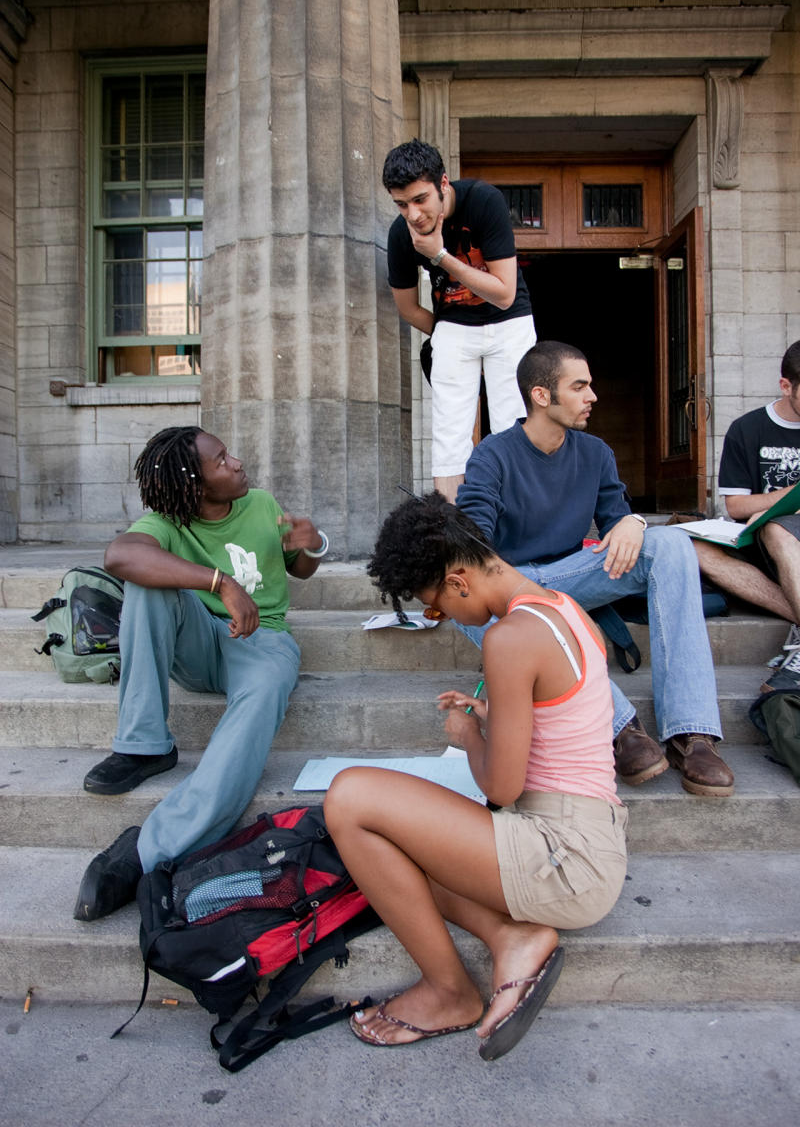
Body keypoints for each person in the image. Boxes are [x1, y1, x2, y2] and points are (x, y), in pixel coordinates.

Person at [324, 492, 627, 1060]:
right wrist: (496, 717)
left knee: (348, 800)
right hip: (583, 838)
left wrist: (468, 738)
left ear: (459, 581)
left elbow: (501, 789)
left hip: (564, 857)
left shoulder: (508, 638)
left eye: (434, 607)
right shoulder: (562, 608)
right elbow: (568, 716)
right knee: (389, 839)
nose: (440, 618)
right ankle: (509, 936)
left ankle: (449, 992)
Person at [455, 340, 734, 796]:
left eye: (590, 386)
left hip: (574, 574)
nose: (593, 397)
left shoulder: (596, 452)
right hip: (514, 590)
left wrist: (632, 520)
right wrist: (503, 580)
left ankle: (692, 733)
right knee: (470, 595)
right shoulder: (493, 455)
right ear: (542, 395)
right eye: (580, 386)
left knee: (671, 543)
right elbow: (473, 533)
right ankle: (622, 729)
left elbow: (615, 519)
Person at [73, 426, 327, 922]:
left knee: (267, 690)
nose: (235, 463)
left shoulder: (260, 503)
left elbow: (298, 571)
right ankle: (143, 745)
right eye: (220, 460)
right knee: (146, 586)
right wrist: (218, 581)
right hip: (198, 641)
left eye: (228, 453)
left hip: (262, 640)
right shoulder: (167, 521)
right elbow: (119, 556)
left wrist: (309, 546)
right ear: (193, 484)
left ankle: (150, 848)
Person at [383, 139, 536, 502]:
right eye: (402, 204)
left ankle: (519, 522)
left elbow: (504, 293)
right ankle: (455, 534)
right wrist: (449, 334)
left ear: (444, 184)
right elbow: (407, 309)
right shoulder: (400, 234)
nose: (414, 214)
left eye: (421, 199)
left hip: (509, 319)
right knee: (449, 431)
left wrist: (439, 256)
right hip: (452, 323)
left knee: (514, 423)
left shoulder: (483, 201)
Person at [692, 341, 800, 691]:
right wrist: (786, 496)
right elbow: (736, 507)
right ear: (786, 386)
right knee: (693, 548)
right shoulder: (748, 428)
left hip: (788, 538)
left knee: (778, 530)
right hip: (758, 541)